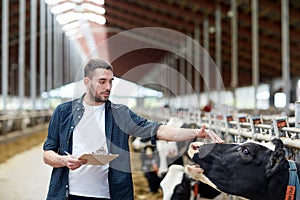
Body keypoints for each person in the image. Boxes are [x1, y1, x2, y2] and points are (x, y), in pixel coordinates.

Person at [43, 59, 224, 200]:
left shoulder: (120, 114)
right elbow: (47, 153)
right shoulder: (63, 112)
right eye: (102, 82)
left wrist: (195, 133)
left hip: (110, 194)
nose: (108, 87)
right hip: (68, 194)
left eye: (111, 82)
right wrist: (63, 160)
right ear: (87, 82)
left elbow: (157, 130)